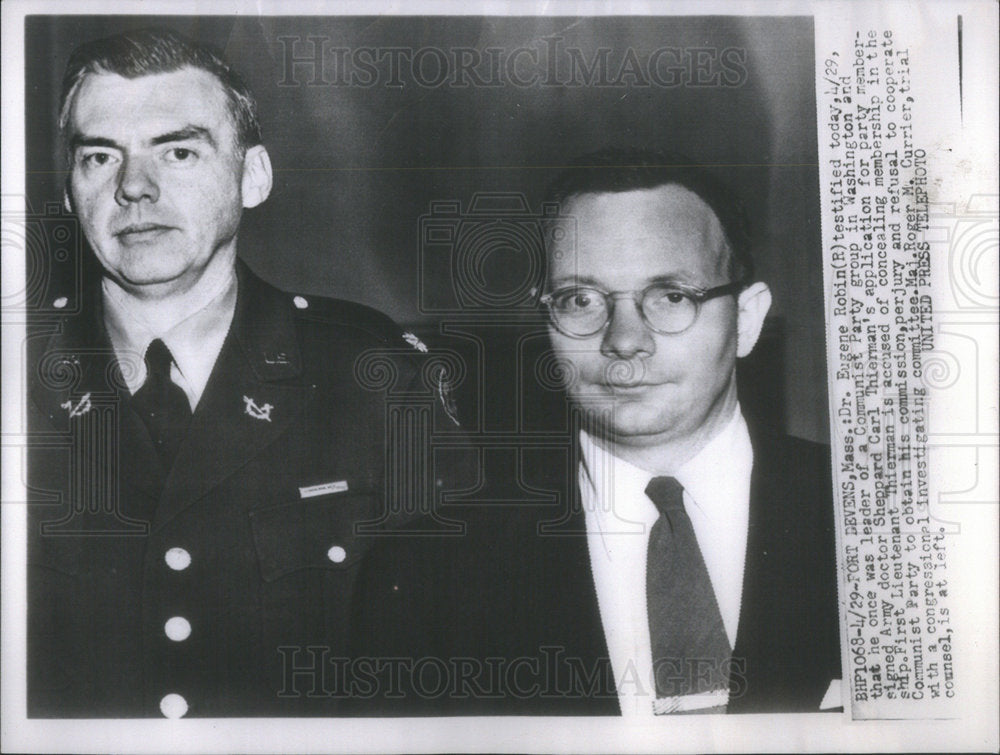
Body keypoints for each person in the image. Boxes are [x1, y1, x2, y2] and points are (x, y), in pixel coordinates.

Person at [27, 27, 467, 718]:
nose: (134, 187)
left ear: (253, 176)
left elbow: (455, 663)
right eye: (100, 156)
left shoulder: (373, 377)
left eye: (178, 150)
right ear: (69, 193)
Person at [355, 148, 841, 716]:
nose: (624, 340)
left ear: (748, 320)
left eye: (671, 296)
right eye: (581, 300)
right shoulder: (427, 574)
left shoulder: (874, 516)